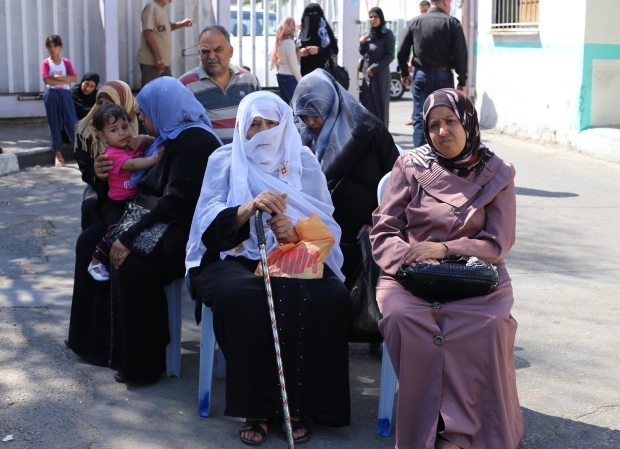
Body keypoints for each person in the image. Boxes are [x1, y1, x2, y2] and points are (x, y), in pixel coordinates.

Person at [186, 91, 350, 445]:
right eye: (253, 125)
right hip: (234, 255)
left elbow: (326, 222)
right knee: (240, 296)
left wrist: (293, 230)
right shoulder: (224, 160)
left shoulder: (302, 160)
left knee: (326, 295)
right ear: (241, 130)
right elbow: (206, 226)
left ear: (285, 127)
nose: (262, 133)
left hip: (294, 254)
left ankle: (300, 403)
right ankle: (257, 407)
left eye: (270, 124)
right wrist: (247, 209)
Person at [370, 88, 523, 449]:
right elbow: (384, 229)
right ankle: (431, 432)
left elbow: (498, 242)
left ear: (468, 122)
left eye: (450, 121)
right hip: (410, 275)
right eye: (433, 124)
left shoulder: (497, 173)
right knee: (404, 319)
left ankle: (460, 436)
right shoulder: (411, 166)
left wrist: (445, 248)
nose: (442, 132)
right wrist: (407, 261)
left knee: (487, 323)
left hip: (477, 275)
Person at [67, 77, 222, 384]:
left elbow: (176, 202)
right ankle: (100, 345)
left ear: (163, 110)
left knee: (130, 265)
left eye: (145, 114)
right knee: (89, 241)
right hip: (159, 220)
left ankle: (143, 363)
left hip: (186, 235)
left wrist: (127, 237)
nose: (140, 119)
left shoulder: (195, 144)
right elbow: (141, 188)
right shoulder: (172, 135)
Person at [292, 69, 399, 288]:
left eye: (316, 113)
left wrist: (375, 221)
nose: (310, 122)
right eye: (304, 115)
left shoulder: (368, 130)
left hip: (360, 241)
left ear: (332, 104)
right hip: (311, 242)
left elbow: (398, 181)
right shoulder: (296, 136)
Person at [87, 104, 160, 281]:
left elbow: (155, 142)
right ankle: (97, 261)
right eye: (114, 130)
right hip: (115, 205)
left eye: (125, 127)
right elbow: (134, 165)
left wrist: (142, 137)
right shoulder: (111, 154)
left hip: (133, 202)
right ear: (102, 137)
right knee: (116, 232)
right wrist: (157, 158)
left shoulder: (133, 146)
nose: (122, 133)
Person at [397, 0, 468, 147]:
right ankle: (440, 158)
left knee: (420, 118)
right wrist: (462, 80)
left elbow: (401, 51)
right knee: (444, 119)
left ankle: (420, 161)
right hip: (444, 76)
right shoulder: (452, 23)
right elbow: (461, 54)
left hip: (421, 76)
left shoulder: (415, 22)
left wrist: (404, 73)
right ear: (445, 2)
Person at [74, 81, 141, 231]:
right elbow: (87, 172)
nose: (103, 109)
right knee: (90, 205)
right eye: (99, 103)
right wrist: (99, 174)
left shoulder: (142, 123)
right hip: (101, 186)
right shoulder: (84, 131)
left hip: (140, 182)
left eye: (109, 104)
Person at [180, 25, 260, 144]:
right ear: (199, 53)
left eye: (218, 50)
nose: (212, 56)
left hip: (246, 157)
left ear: (230, 51)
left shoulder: (248, 80)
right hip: (207, 159)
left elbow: (262, 119)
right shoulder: (185, 85)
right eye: (205, 51)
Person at [41, 34, 79, 167]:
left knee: (72, 122)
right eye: (50, 46)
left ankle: (79, 152)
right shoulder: (46, 63)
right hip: (52, 94)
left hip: (65, 94)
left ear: (60, 47)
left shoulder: (66, 62)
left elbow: (74, 78)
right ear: (47, 48)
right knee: (55, 124)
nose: (53, 49)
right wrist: (63, 78)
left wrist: (57, 78)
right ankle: (58, 155)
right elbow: (47, 80)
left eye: (55, 46)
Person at [137, 0, 193, 87]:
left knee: (168, 91)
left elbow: (166, 28)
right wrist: (158, 57)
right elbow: (147, 33)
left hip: (162, 62)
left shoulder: (161, 9)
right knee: (150, 94)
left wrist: (182, 24)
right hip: (152, 62)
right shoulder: (151, 7)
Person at [359, 7, 395, 127]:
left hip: (380, 76)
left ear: (381, 18)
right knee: (367, 106)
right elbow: (364, 53)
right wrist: (362, 43)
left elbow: (390, 56)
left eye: (375, 17)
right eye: (370, 17)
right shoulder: (368, 34)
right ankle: (369, 136)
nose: (372, 19)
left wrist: (373, 68)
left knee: (380, 107)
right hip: (367, 77)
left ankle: (382, 137)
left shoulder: (387, 34)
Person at [405, 1, 431, 126]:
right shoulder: (417, 24)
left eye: (425, 10)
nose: (423, 13)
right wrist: (410, 62)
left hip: (431, 68)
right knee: (417, 97)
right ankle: (415, 117)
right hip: (418, 68)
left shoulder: (433, 25)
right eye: (421, 11)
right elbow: (414, 49)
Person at [298, 3, 338, 77]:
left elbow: (334, 50)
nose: (311, 16)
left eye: (314, 13)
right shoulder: (301, 32)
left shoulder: (325, 31)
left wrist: (318, 51)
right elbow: (296, 49)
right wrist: (301, 51)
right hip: (306, 74)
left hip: (323, 74)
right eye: (308, 14)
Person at [270, 17, 302, 105]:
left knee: (284, 105)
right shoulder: (289, 42)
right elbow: (293, 65)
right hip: (289, 77)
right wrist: (300, 81)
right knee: (295, 105)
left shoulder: (280, 42)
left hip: (281, 75)